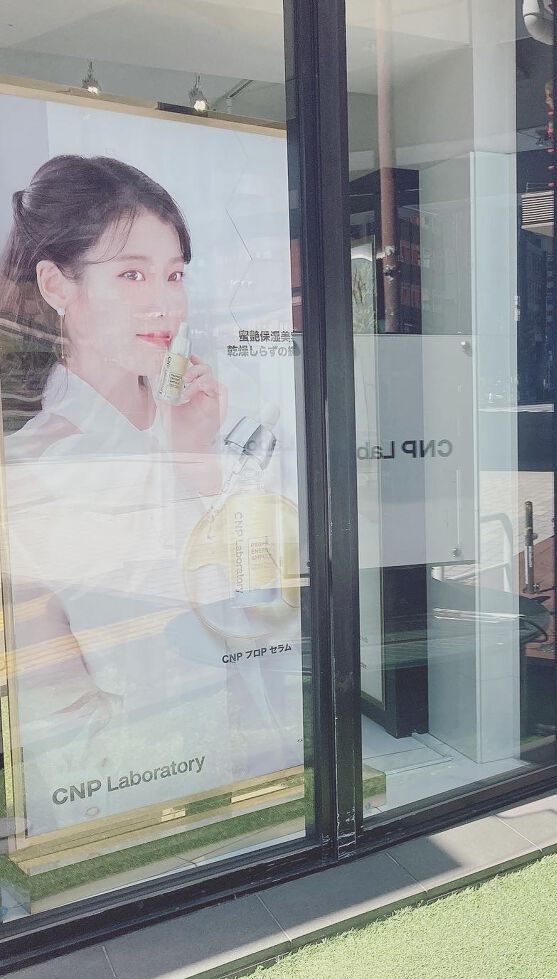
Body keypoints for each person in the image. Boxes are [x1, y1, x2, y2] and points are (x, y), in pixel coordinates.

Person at [0, 156, 302, 836]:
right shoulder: (34, 466)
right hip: (131, 808)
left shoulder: (201, 425)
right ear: (56, 284)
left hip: (254, 777)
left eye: (174, 274)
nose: (165, 302)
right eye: (131, 274)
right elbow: (57, 714)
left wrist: (197, 468)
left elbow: (268, 622)